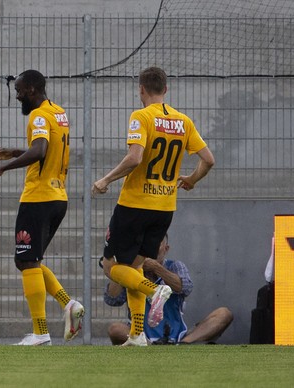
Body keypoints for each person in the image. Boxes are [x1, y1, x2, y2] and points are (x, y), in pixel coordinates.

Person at [92, 66, 215, 346]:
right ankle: (137, 334)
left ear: (141, 90)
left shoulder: (141, 116)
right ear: (166, 90)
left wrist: (106, 179)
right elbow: (208, 159)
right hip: (164, 208)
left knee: (110, 266)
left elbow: (135, 158)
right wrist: (192, 180)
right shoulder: (183, 121)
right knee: (134, 266)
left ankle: (153, 291)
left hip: (135, 204)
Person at [0, 69, 84, 346]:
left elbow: (39, 151)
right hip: (58, 197)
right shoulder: (58, 113)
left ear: (31, 90)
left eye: (18, 91)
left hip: (38, 197)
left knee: (26, 261)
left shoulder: (39, 115)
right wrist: (16, 152)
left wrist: (2, 168)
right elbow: (46, 150)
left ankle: (40, 332)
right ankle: (68, 304)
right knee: (28, 260)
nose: (16, 96)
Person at [102, 234, 233, 345]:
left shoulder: (175, 266)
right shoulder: (130, 272)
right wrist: (119, 270)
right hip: (141, 335)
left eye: (155, 245)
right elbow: (112, 300)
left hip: (179, 335)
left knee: (224, 314)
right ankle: (147, 344)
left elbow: (185, 288)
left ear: (166, 249)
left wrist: (156, 268)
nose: (150, 250)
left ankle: (184, 344)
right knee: (115, 329)